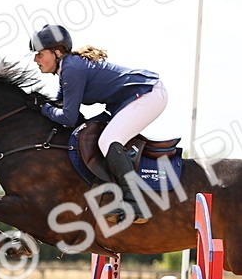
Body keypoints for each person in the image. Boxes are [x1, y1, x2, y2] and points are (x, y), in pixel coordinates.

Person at [29, 24, 168, 225]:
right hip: (126, 101)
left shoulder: (71, 69)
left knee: (108, 140)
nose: (36, 59)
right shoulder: (66, 69)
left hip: (148, 94)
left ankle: (136, 203)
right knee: (91, 134)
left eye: (40, 54)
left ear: (57, 52)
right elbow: (65, 112)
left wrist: (43, 108)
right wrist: (41, 106)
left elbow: (67, 117)